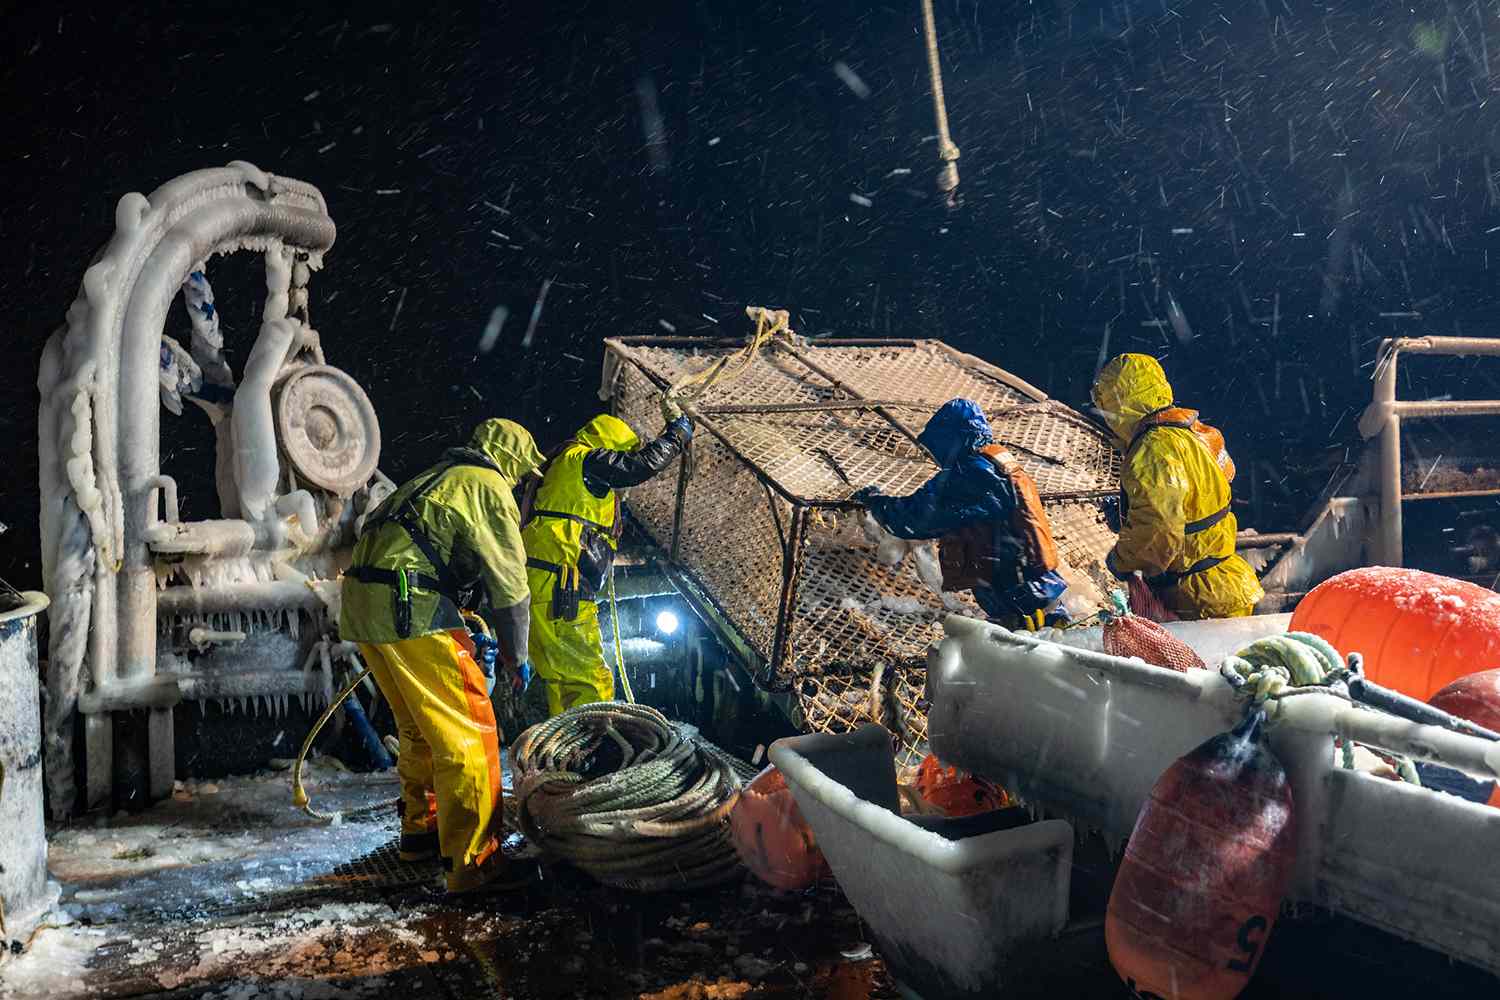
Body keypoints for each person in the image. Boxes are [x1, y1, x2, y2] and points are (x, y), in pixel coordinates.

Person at [339, 418, 543, 894]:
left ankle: (422, 828)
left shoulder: (433, 478)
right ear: (512, 461)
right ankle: (475, 864)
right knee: (470, 737)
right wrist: (517, 655)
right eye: (524, 473)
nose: (522, 483)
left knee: (419, 727)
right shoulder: (487, 486)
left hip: (365, 608)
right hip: (411, 609)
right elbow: (512, 587)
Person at [523, 401, 692, 715]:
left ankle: (568, 749)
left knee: (561, 678)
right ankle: (597, 751)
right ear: (610, 444)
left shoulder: (562, 466)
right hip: (563, 587)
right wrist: (677, 435)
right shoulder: (588, 459)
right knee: (590, 679)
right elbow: (642, 466)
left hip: (544, 584)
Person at [853, 398, 1068, 630]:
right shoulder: (996, 462)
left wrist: (875, 501)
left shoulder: (969, 475)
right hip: (1042, 593)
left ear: (953, 439)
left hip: (1023, 604)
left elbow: (914, 520)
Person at [1091, 353, 1263, 619]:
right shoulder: (1195, 431)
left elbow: (1160, 530)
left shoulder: (1152, 451)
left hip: (1196, 601)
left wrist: (1122, 559)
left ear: (1119, 403)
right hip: (1228, 584)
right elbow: (1220, 480)